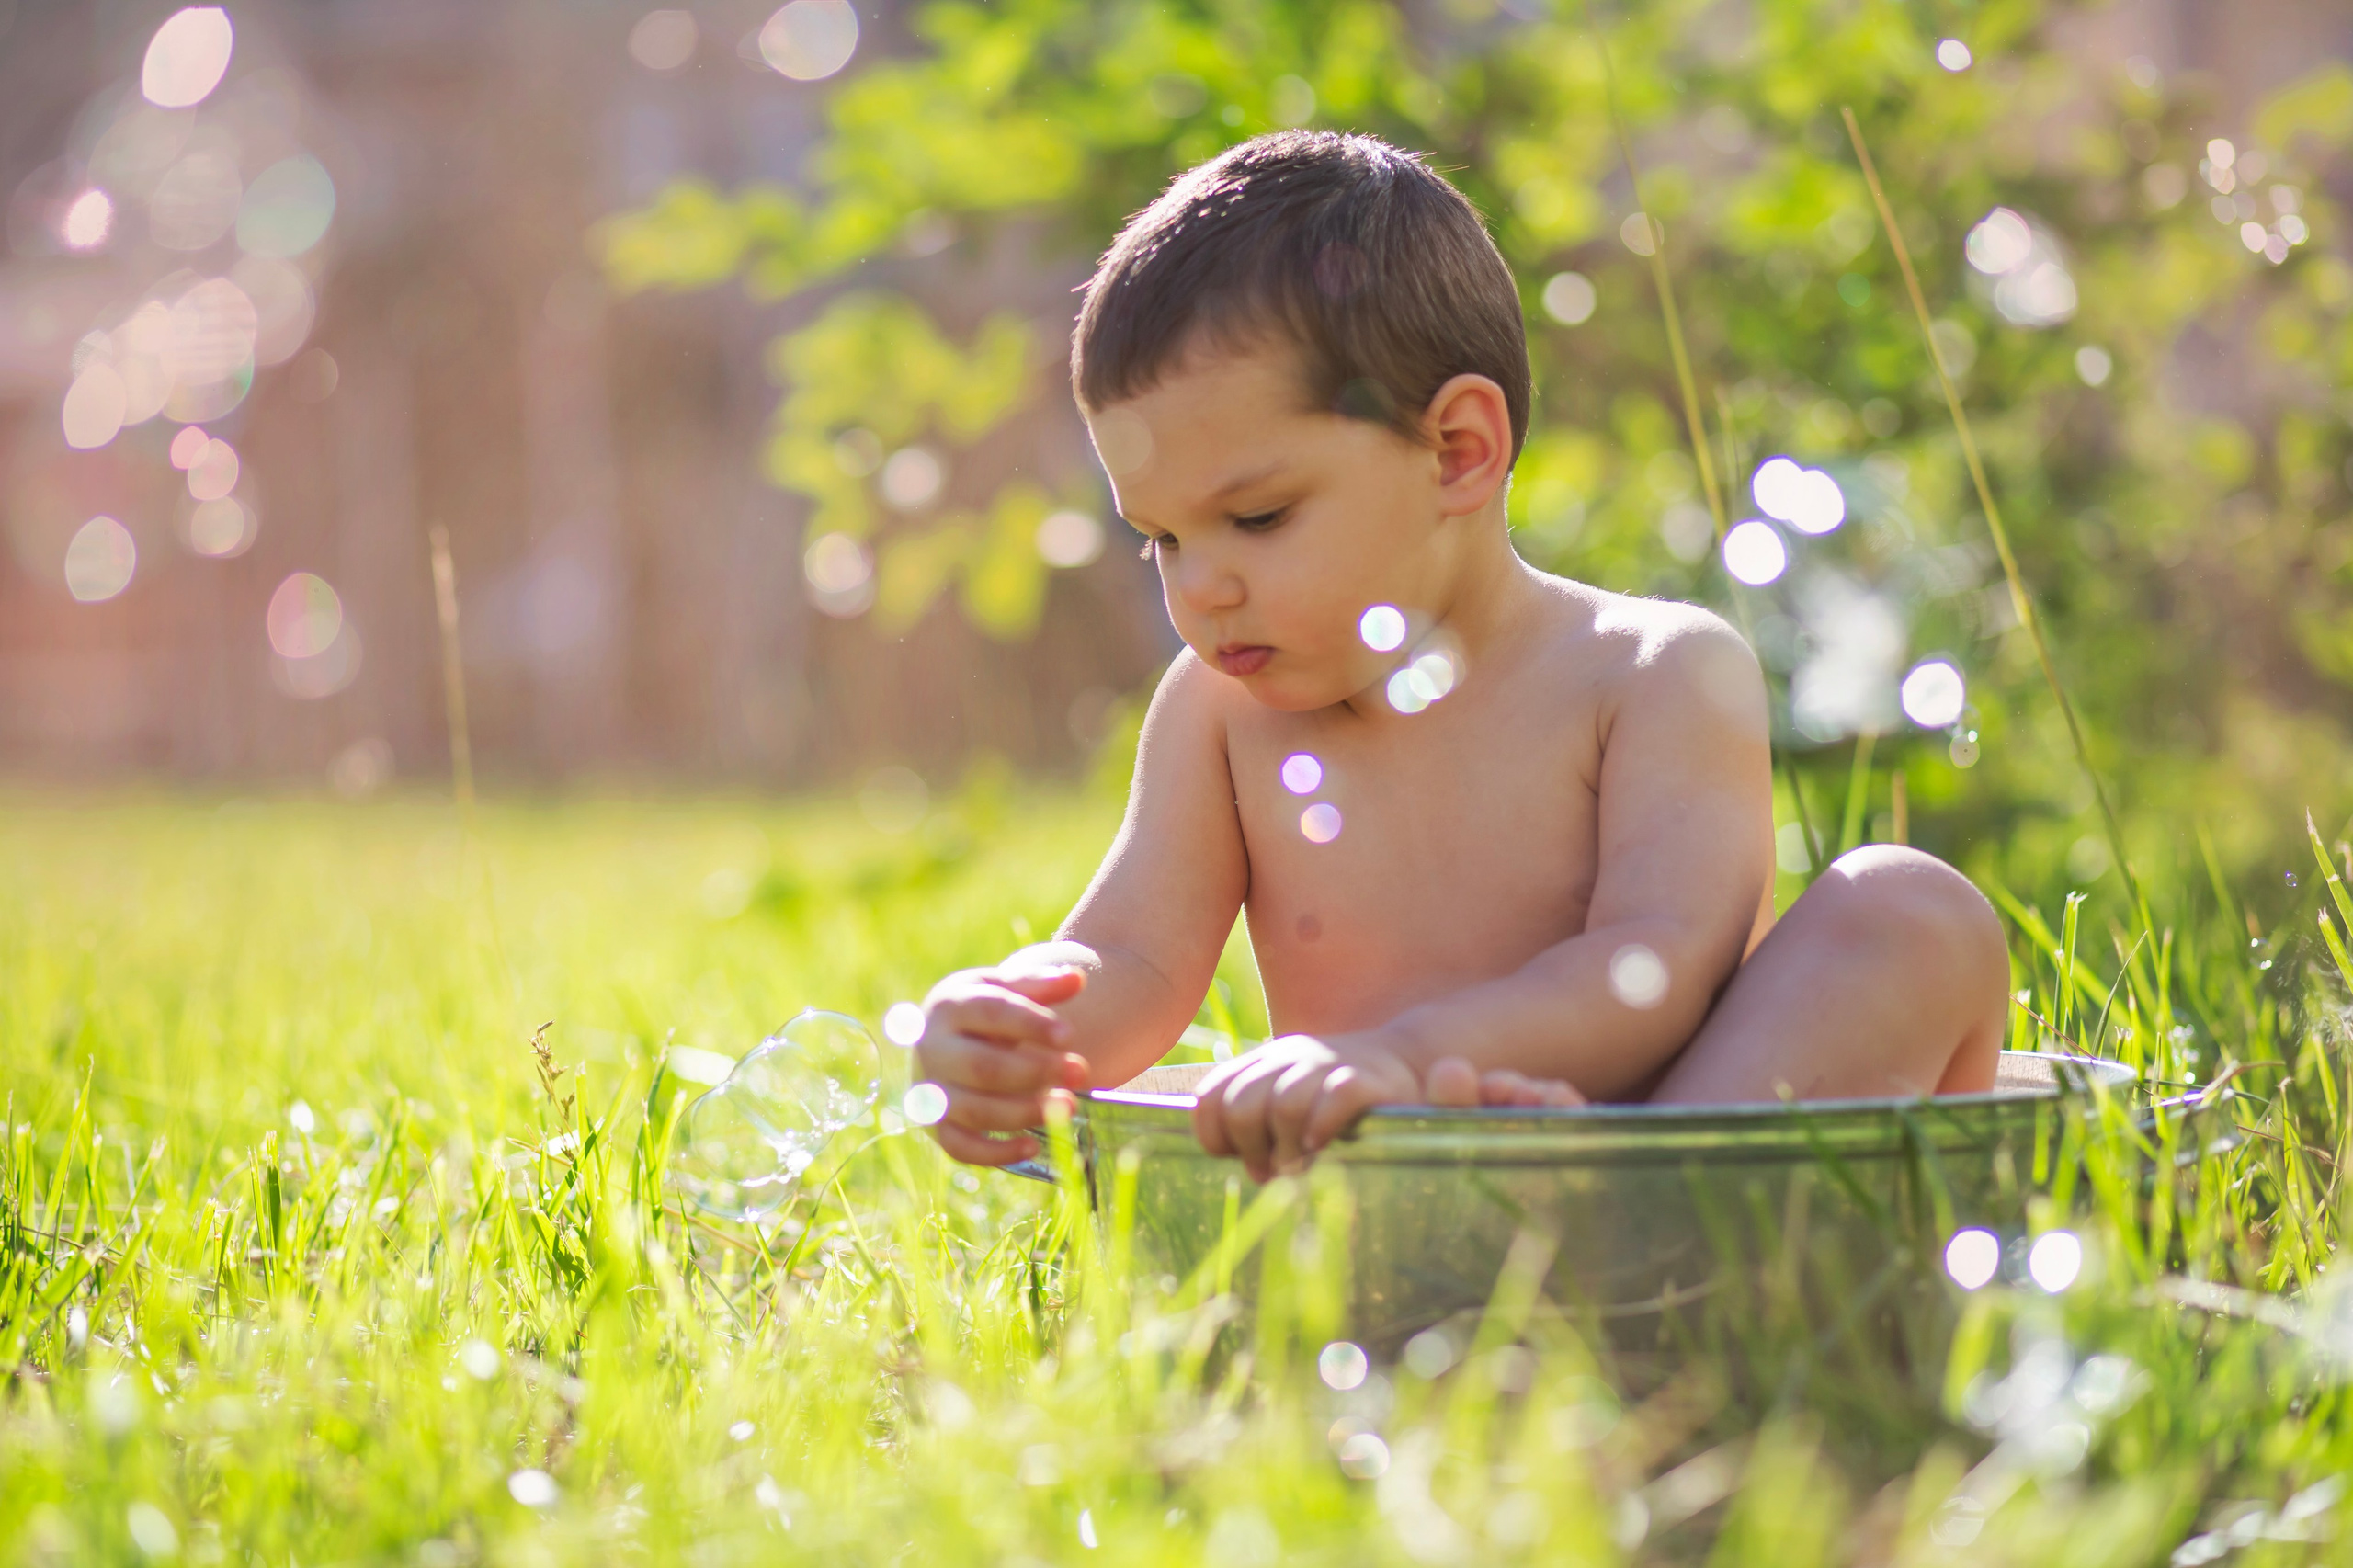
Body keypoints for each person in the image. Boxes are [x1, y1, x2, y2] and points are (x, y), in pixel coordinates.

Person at [910, 131, 2011, 1184]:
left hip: (1660, 1165)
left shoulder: (1648, 676)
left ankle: (1649, 1254)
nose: (1200, 587)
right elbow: (1135, 960)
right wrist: (1020, 1026)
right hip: (1391, 1204)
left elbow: (1654, 969)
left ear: (1455, 451)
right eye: (1161, 538)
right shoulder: (1219, 712)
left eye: (1257, 518)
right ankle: (1580, 1266)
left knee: (1910, 909)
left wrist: (1408, 1056)